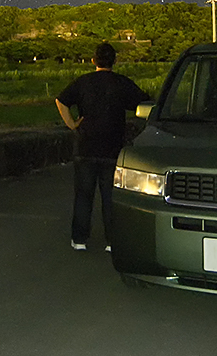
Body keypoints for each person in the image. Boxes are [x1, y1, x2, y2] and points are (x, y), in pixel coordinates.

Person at [55, 42, 151, 251]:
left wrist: (71, 124)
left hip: (85, 145)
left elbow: (61, 100)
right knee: (110, 197)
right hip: (112, 147)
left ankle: (79, 239)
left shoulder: (83, 82)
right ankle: (111, 240)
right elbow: (145, 104)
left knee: (83, 194)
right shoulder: (121, 83)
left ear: (93, 61)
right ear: (114, 61)